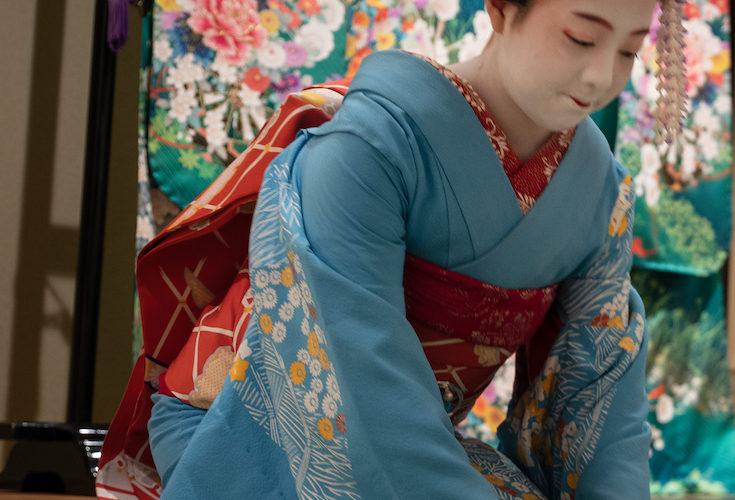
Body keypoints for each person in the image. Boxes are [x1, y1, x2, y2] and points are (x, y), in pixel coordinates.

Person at [97, 0, 685, 498]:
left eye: (629, 51)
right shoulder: (370, 143)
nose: (601, 78)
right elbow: (354, 356)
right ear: (500, 7)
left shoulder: (600, 191)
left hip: (407, 439)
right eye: (582, 38)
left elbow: (600, 385)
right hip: (253, 416)